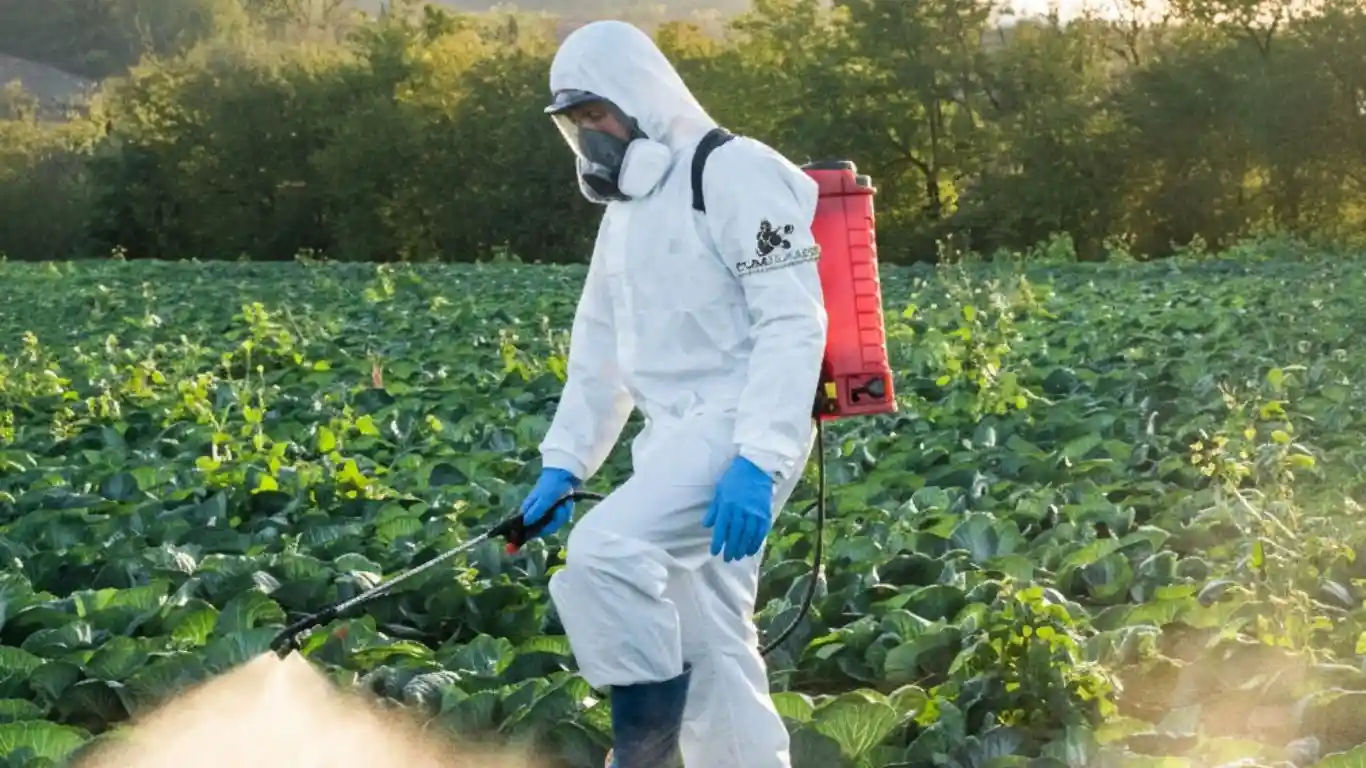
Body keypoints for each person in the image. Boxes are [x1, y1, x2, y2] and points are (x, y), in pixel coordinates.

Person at [514, 19, 828, 768]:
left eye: (596, 116)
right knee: (713, 651)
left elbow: (793, 320)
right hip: (673, 441)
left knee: (604, 549)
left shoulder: (732, 170)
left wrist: (759, 457)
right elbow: (600, 355)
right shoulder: (625, 214)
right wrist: (566, 465)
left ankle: (641, 754)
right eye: (577, 123)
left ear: (639, 100)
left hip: (745, 424)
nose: (590, 136)